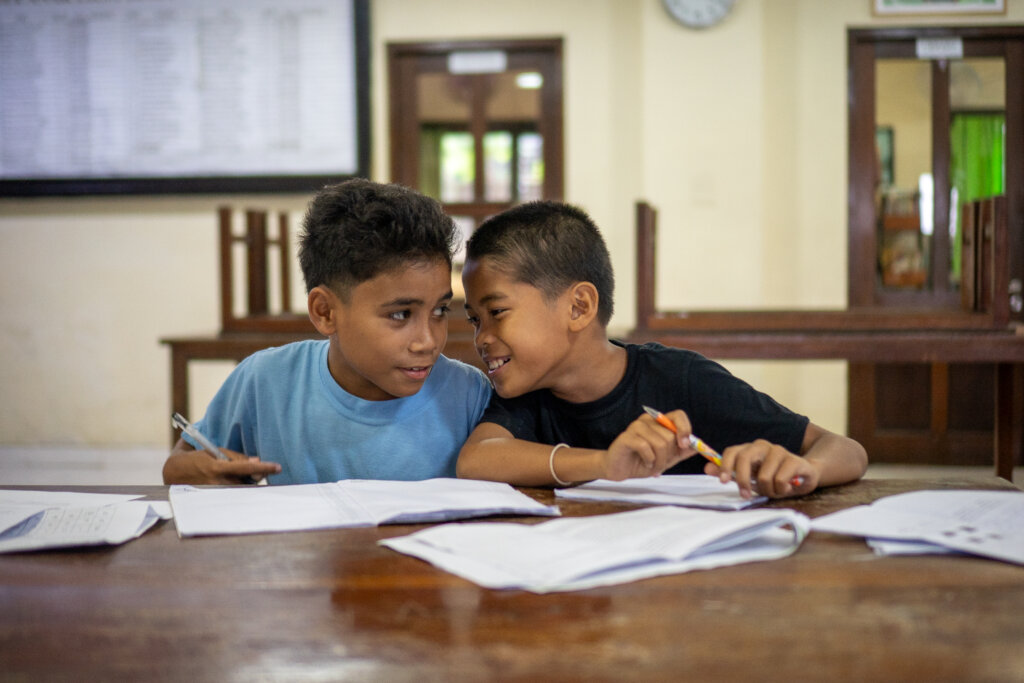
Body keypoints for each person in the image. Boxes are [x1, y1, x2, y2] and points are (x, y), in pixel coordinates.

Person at [456, 201, 867, 499]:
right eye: (475, 319)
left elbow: (846, 451)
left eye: (496, 312)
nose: (482, 337)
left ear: (579, 307)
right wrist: (604, 465)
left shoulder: (679, 379)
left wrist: (806, 470)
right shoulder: (526, 394)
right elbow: (477, 460)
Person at [162, 179, 491, 485]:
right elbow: (178, 466)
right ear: (325, 312)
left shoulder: (469, 396)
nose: (428, 341)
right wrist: (202, 472)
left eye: (440, 311)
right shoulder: (266, 381)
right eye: (400, 314)